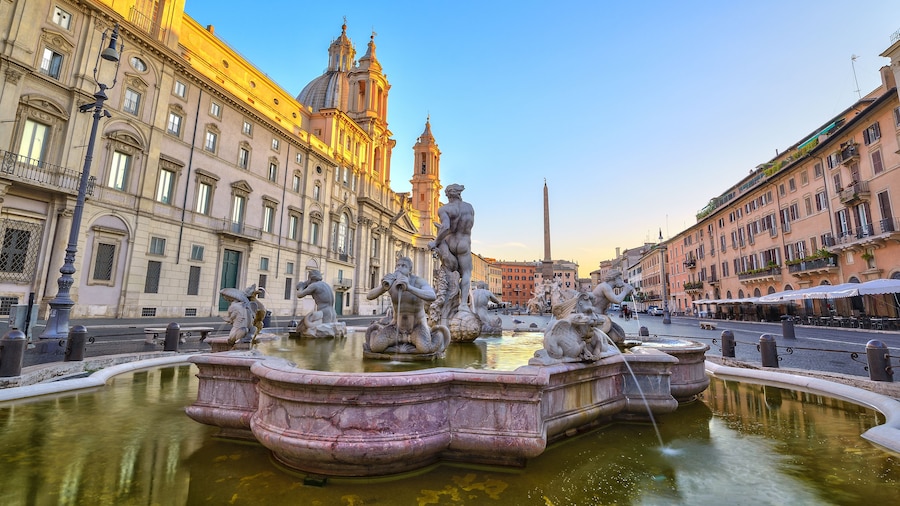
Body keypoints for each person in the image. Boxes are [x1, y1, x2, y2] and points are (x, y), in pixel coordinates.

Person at [366, 256, 442, 353]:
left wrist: (409, 287)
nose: (399, 268)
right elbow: (369, 296)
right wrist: (382, 288)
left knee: (425, 348)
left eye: (403, 266)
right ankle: (376, 332)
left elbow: (432, 296)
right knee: (376, 347)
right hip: (396, 327)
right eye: (397, 265)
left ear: (410, 270)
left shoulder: (418, 282)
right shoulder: (391, 282)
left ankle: (437, 335)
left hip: (416, 326)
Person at [428, 183, 474, 312]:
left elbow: (446, 227)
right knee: (466, 273)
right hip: (464, 242)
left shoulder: (444, 209)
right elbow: (468, 226)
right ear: (459, 193)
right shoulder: (469, 207)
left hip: (451, 242)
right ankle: (463, 304)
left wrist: (436, 242)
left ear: (448, 195)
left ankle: (445, 301)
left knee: (447, 272)